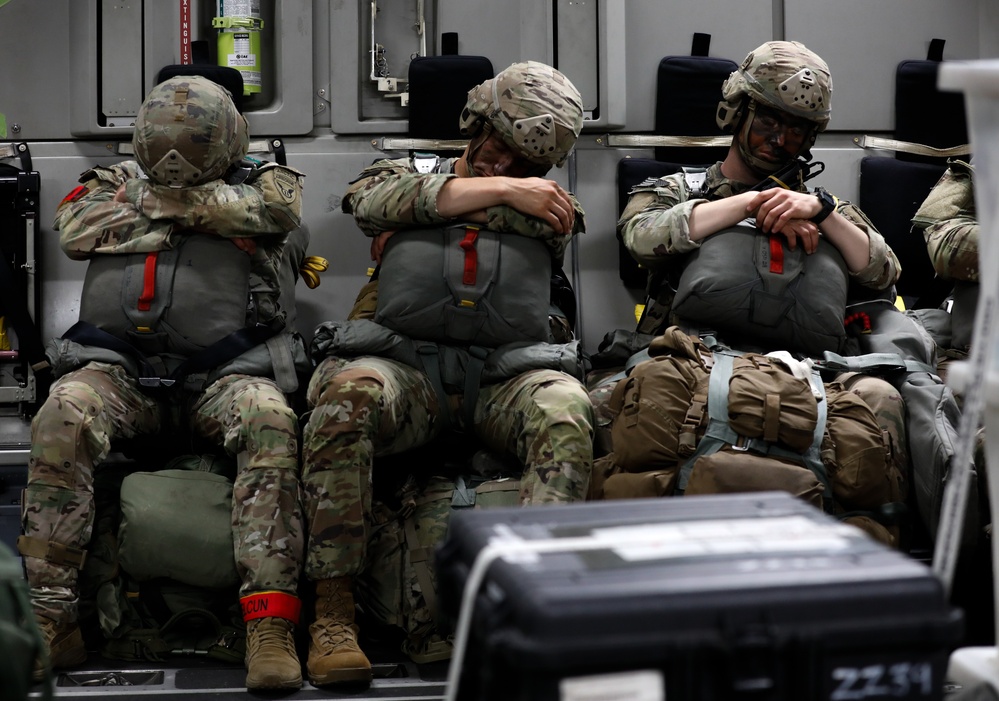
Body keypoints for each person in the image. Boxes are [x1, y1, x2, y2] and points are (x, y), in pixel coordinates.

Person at [299, 60, 594, 686]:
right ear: (475, 124)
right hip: (403, 373)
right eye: (497, 149)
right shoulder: (401, 174)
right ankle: (333, 614)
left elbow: (540, 226)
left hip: (499, 379)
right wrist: (505, 195)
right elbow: (368, 201)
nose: (505, 168)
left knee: (566, 409)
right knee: (346, 398)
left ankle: (539, 614)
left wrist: (428, 216)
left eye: (524, 166)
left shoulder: (554, 206)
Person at [19, 76, 309, 690]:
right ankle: (51, 619)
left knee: (270, 419)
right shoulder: (109, 182)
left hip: (226, 378)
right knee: (63, 411)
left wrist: (148, 213)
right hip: (122, 375)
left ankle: (269, 622)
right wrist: (207, 218)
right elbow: (76, 230)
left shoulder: (268, 181)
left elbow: (277, 215)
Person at [605, 41, 908, 537]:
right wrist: (751, 204)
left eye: (796, 130)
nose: (780, 140)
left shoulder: (826, 207)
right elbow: (642, 237)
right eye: (768, 121)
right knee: (605, 405)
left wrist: (821, 212)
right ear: (736, 112)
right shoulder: (678, 191)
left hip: (808, 373)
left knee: (884, 400)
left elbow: (882, 271)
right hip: (689, 360)